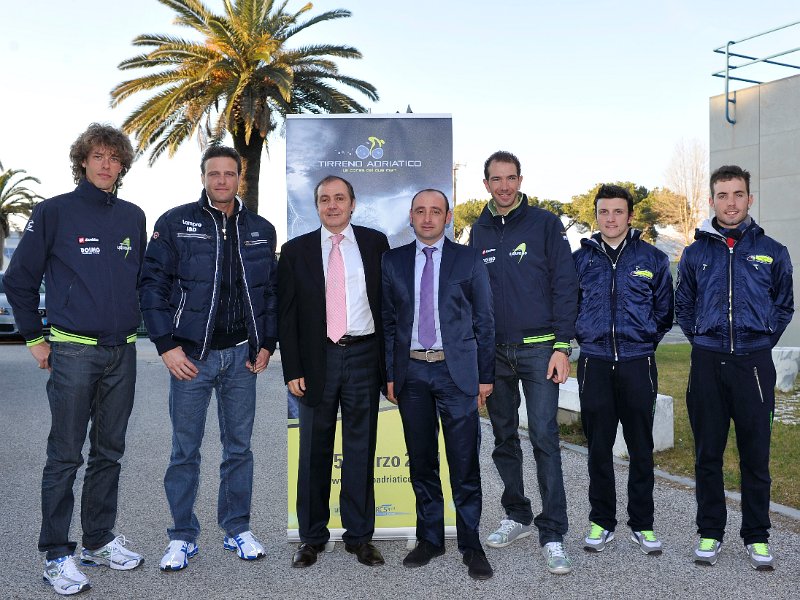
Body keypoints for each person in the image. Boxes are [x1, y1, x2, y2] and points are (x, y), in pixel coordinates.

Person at [4, 123, 145, 595]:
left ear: (122, 165)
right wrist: (34, 338)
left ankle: (98, 541)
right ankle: (57, 554)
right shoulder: (53, 212)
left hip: (122, 351)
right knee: (65, 456)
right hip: (72, 352)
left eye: (114, 158)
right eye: (97, 156)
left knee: (109, 453)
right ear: (82, 161)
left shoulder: (133, 216)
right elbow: (18, 280)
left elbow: (140, 282)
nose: (106, 165)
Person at [138, 145, 278, 571]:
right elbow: (151, 287)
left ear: (241, 178)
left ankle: (237, 528)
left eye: (229, 173)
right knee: (185, 450)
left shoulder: (261, 228)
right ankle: (182, 536)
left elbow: (270, 293)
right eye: (213, 173)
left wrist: (266, 343)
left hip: (241, 358)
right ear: (203, 177)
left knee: (239, 449)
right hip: (191, 359)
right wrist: (166, 345)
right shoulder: (175, 222)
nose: (221, 180)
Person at [675, 165, 794, 571]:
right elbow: (684, 306)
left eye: (738, 194)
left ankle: (757, 536)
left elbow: (784, 306)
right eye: (723, 195)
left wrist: (760, 342)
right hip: (707, 363)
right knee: (707, 454)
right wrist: (704, 339)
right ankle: (710, 531)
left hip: (754, 366)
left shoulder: (773, 251)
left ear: (749, 199)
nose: (731, 202)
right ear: (712, 201)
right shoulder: (694, 253)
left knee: (755, 457)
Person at [468, 150, 578, 574]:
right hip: (494, 354)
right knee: (503, 438)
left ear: (520, 179)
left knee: (546, 439)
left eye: (511, 178)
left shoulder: (546, 224)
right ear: (486, 184)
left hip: (539, 350)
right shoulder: (476, 232)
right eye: (496, 179)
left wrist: (562, 346)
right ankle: (517, 514)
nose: (504, 186)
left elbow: (565, 286)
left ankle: (553, 533)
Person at [382, 189, 495, 580]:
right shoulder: (392, 261)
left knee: (464, 463)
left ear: (448, 218)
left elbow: (485, 320)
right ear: (410, 216)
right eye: (420, 211)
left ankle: (471, 542)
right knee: (423, 461)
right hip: (412, 375)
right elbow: (389, 322)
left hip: (456, 374)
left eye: (436, 211)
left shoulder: (468, 260)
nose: (428, 218)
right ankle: (429, 538)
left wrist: (485, 376)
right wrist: (391, 374)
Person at [278, 175, 389, 568]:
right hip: (316, 360)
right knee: (313, 451)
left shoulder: (376, 245)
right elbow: (286, 316)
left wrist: (389, 367)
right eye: (324, 199)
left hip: (363, 356)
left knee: (361, 449)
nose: (332, 205)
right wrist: (292, 367)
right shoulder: (295, 252)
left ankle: (360, 538)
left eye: (339, 198)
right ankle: (311, 538)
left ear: (353, 204)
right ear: (317, 205)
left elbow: (388, 308)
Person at [572, 184, 674, 555]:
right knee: (598, 447)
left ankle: (642, 524)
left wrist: (642, 341)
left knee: (640, 447)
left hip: (637, 363)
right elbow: (571, 308)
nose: (610, 218)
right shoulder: (579, 260)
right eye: (603, 212)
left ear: (630, 216)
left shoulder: (653, 259)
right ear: (595, 216)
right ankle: (601, 521)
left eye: (618, 212)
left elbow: (664, 313)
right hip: (594, 363)